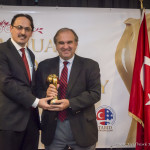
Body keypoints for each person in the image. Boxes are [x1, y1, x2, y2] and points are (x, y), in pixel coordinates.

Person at [35, 28, 101, 150]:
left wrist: (70, 103)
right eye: (61, 43)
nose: (66, 46)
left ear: (76, 44)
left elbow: (95, 94)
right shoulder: (44, 66)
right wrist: (45, 94)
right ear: (56, 45)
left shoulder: (90, 65)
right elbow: (36, 92)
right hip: (53, 130)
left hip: (83, 128)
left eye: (69, 42)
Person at [0, 14, 52, 150]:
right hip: (10, 123)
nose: (23, 32)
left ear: (31, 32)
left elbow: (29, 85)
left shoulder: (29, 54)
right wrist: (36, 102)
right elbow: (6, 83)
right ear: (11, 28)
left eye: (27, 29)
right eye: (19, 27)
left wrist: (43, 94)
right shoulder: (2, 51)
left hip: (31, 122)